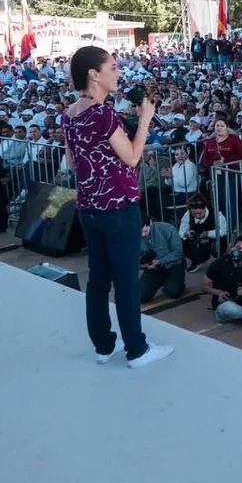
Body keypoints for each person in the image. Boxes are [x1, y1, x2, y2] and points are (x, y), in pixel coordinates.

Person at [63, 46, 172, 368]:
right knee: (126, 280)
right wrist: (145, 121)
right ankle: (136, 349)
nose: (118, 71)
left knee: (98, 279)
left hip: (88, 207)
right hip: (118, 206)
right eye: (112, 66)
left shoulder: (69, 114)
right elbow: (133, 157)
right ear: (94, 74)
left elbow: (72, 162)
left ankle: (103, 345)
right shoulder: (102, 113)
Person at [202, 234, 242, 329]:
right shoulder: (219, 263)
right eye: (238, 248)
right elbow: (205, 285)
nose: (240, 251)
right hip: (224, 304)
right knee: (230, 308)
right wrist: (219, 293)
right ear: (232, 247)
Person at [138, 215, 186, 304]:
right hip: (152, 268)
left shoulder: (167, 228)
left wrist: (159, 261)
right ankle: (161, 281)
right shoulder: (132, 235)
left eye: (145, 231)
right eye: (139, 232)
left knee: (174, 292)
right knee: (140, 296)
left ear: (150, 223)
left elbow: (178, 252)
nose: (142, 235)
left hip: (173, 264)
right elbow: (132, 258)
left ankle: (176, 281)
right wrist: (142, 265)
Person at [178, 194, 228, 272]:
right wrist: (186, 234)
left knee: (220, 241)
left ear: (205, 208)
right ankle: (197, 260)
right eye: (194, 214)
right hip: (196, 239)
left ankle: (221, 259)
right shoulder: (187, 215)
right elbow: (181, 232)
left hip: (213, 239)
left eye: (199, 213)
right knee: (181, 242)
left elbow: (224, 231)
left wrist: (208, 233)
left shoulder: (216, 213)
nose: (197, 216)